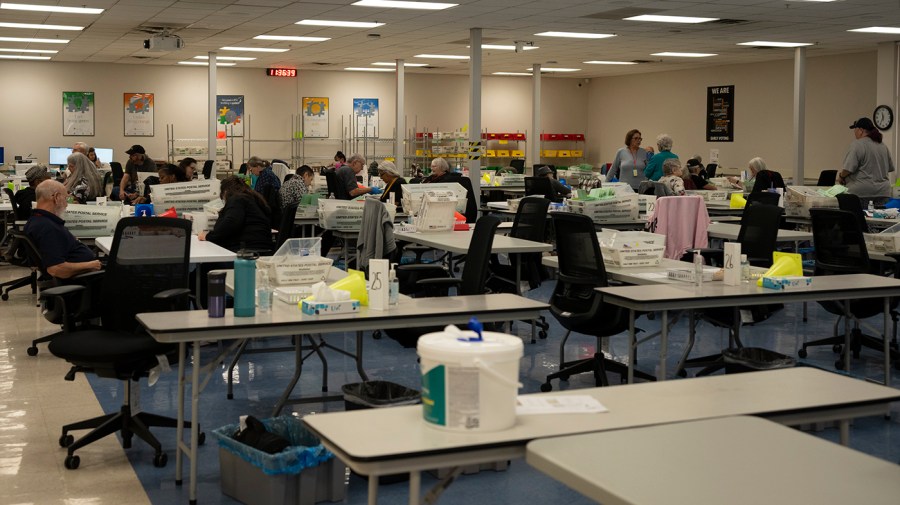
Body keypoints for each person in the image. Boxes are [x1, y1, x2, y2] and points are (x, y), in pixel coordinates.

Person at [24, 180, 101, 279]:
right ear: (56, 197)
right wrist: (90, 265)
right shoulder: (47, 228)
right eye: (65, 199)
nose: (66, 204)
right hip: (84, 278)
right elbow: (56, 269)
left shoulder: (38, 220)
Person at [199, 176, 272, 252]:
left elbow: (230, 222)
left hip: (246, 250)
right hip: (261, 249)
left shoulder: (237, 199)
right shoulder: (255, 200)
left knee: (206, 262)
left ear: (225, 191)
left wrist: (208, 236)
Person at [840, 117, 895, 207]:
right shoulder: (882, 145)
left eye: (855, 130)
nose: (854, 133)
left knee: (860, 220)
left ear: (861, 130)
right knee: (877, 220)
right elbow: (890, 167)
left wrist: (841, 176)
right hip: (883, 193)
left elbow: (848, 169)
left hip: (862, 194)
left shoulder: (857, 144)